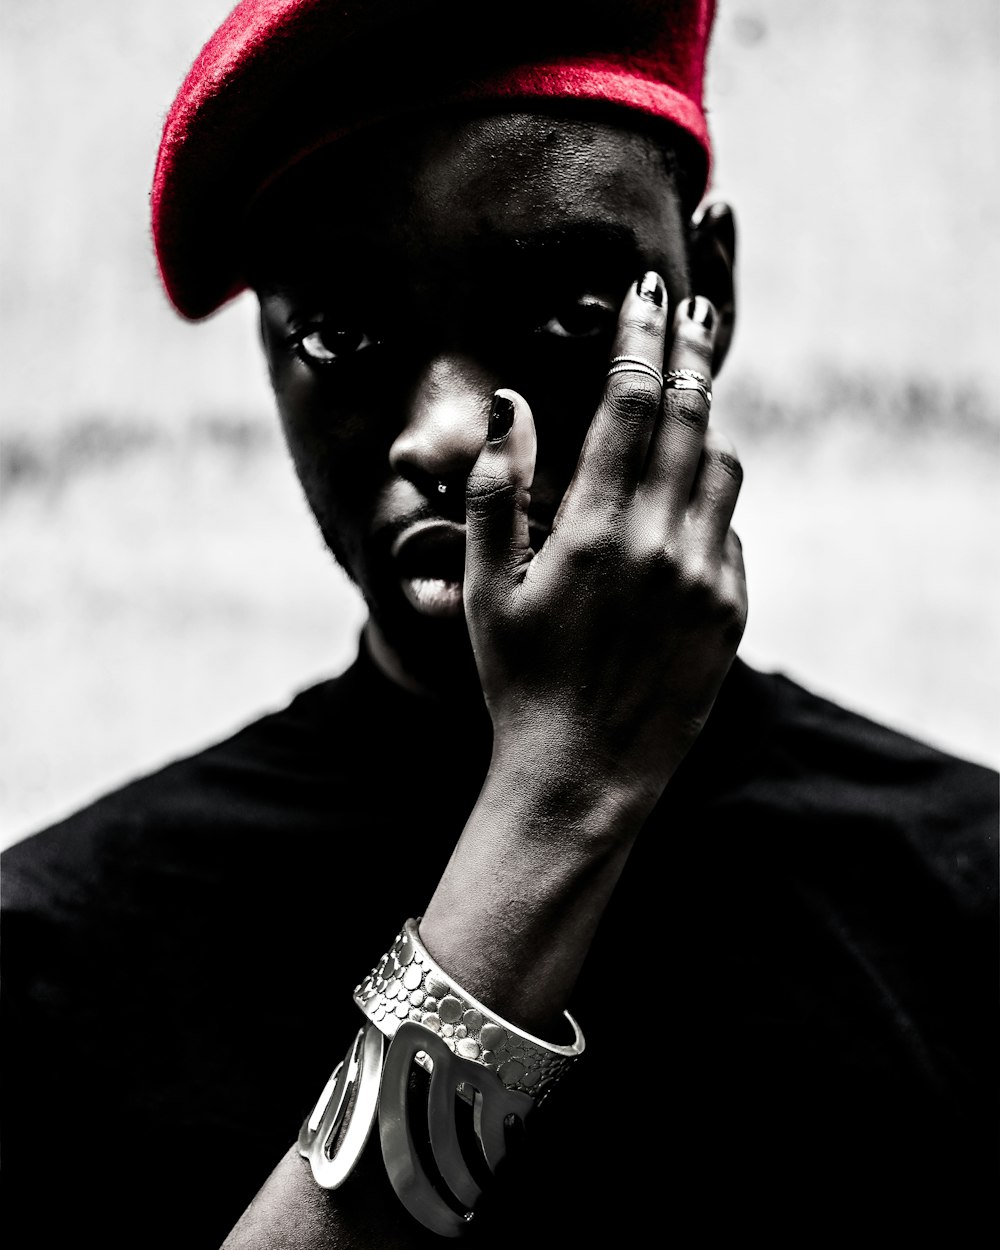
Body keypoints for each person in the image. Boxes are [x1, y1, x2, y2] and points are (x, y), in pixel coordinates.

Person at [2, 2, 996, 1246]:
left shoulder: (970, 897)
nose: (447, 429)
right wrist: (556, 802)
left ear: (710, 292)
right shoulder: (56, 964)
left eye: (573, 312)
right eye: (343, 332)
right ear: (267, 352)